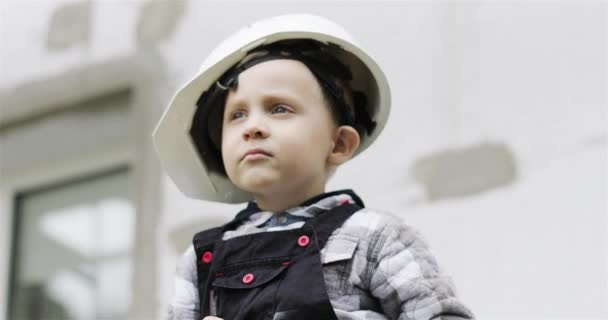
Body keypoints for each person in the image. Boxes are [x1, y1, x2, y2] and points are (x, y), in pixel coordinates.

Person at [153, 14, 474, 320]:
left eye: (278, 108)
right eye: (236, 115)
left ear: (338, 145)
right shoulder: (201, 259)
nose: (252, 127)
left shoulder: (375, 236)